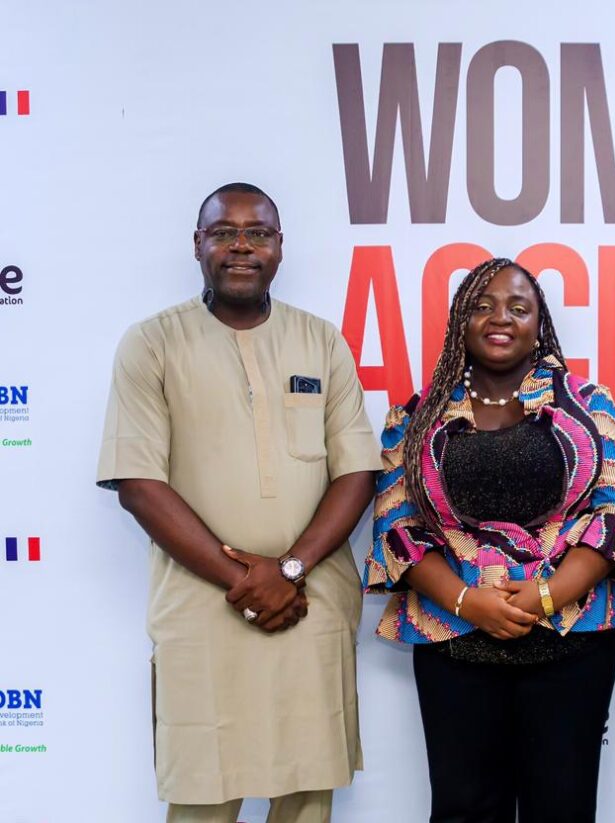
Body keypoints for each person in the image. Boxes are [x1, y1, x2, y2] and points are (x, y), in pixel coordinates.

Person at [96, 182, 381, 823]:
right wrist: (246, 581)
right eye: (224, 233)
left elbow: (357, 472)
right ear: (198, 245)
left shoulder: (322, 343)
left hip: (309, 605)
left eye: (259, 233)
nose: (242, 246)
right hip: (203, 611)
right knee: (203, 794)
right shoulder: (152, 344)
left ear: (280, 249)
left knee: (307, 795)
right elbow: (138, 484)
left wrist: (288, 572)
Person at [365, 257, 615, 823]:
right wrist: (465, 600)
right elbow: (397, 527)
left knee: (563, 808)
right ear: (460, 320)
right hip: (453, 637)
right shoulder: (418, 413)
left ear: (539, 322)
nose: (500, 318)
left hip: (571, 640)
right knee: (463, 809)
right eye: (483, 305)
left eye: (518, 307)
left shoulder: (588, 404)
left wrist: (547, 595)